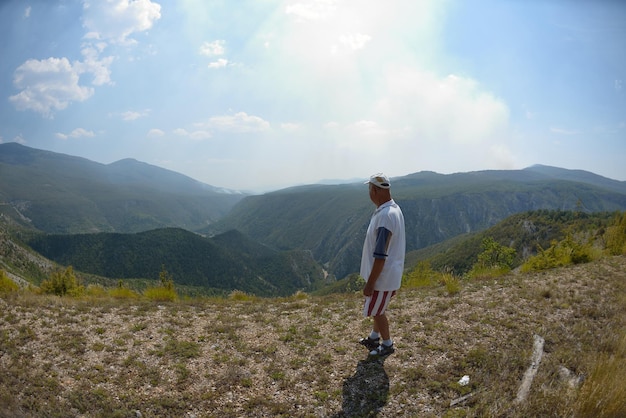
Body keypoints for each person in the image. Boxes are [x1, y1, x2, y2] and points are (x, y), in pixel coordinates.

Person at [359, 173, 406, 357]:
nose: (369, 194)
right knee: (379, 308)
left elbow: (380, 256)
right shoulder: (392, 209)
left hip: (382, 277)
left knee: (377, 311)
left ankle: (387, 344)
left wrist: (370, 283)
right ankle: (374, 337)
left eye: (370, 189)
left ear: (376, 190)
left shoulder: (386, 216)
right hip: (388, 274)